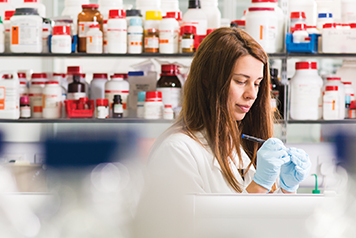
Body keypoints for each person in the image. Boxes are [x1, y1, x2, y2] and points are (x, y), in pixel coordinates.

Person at [132, 27, 312, 237]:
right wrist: (259, 186)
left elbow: (262, 225)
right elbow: (187, 231)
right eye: (241, 81)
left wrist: (286, 190)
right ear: (209, 81)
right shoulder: (177, 150)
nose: (252, 94)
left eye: (257, 83)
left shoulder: (237, 146)